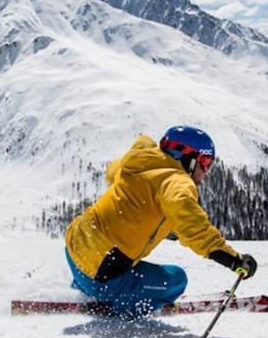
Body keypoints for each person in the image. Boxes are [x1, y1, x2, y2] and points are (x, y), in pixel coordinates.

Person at [64, 126, 256, 316]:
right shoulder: (176, 181)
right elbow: (193, 227)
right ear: (187, 158)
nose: (206, 172)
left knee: (113, 258)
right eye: (205, 163)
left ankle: (86, 288)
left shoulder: (141, 161)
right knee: (177, 280)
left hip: (74, 249)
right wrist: (234, 260)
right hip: (103, 275)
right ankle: (116, 308)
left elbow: (112, 171)